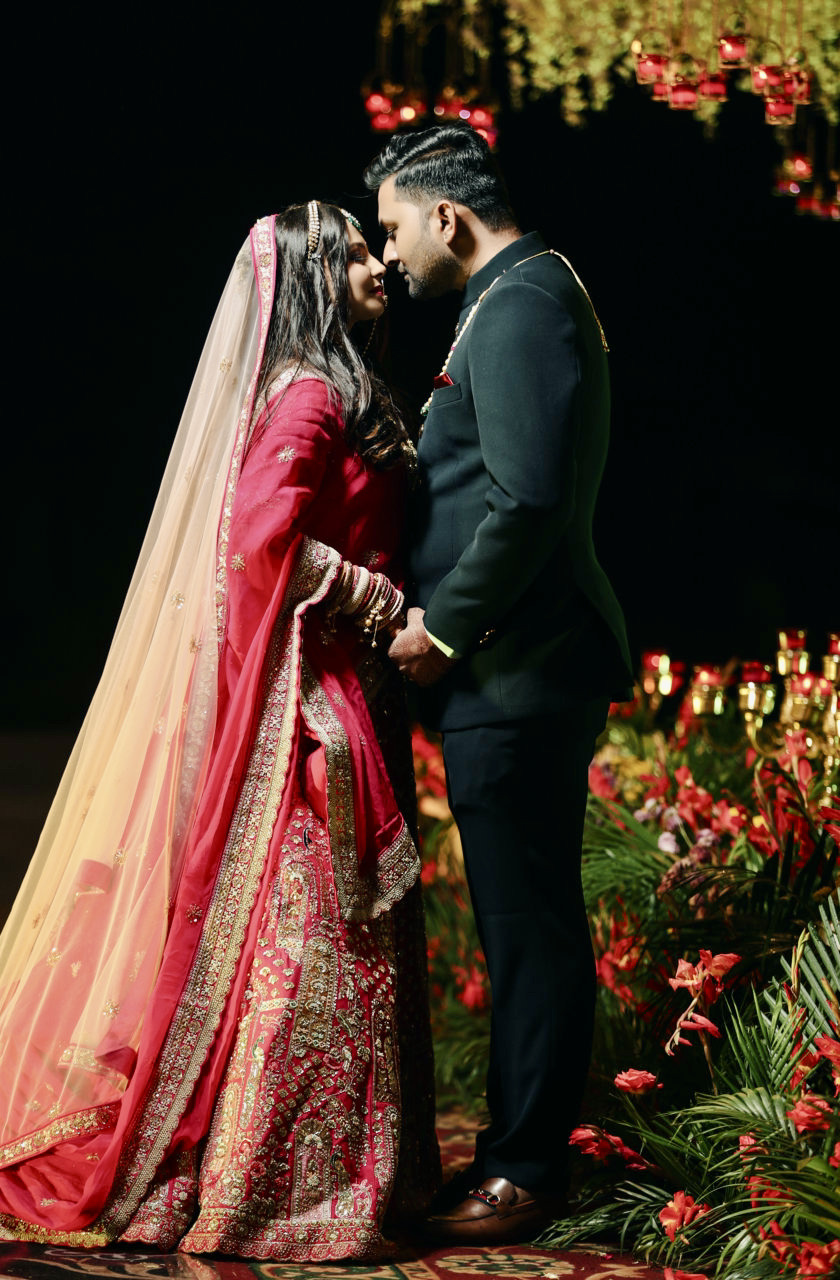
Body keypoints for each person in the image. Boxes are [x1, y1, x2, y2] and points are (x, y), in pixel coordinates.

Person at [0, 201, 440, 1258]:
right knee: (306, 944)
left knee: (328, 942)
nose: (378, 263)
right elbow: (259, 534)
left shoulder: (337, 388)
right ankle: (264, 1185)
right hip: (310, 708)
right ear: (319, 278)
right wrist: (374, 604)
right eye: (355, 251)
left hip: (345, 688)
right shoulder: (312, 394)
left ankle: (326, 1176)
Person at [364, 124, 633, 1245]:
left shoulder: (518, 301)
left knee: (528, 927)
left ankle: (525, 1169)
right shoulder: (519, 290)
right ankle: (517, 1153)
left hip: (515, 672)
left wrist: (448, 629)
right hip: (516, 672)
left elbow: (524, 500)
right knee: (524, 923)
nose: (388, 256)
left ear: (446, 216)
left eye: (392, 228)